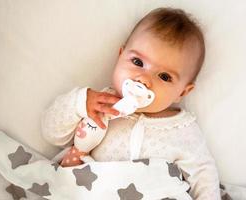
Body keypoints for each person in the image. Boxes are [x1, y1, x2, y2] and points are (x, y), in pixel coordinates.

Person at [41, 7, 221, 200]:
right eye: (137, 62)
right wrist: (79, 103)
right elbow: (52, 134)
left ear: (182, 92)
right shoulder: (100, 104)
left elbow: (204, 175)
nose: (143, 79)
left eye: (164, 76)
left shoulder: (184, 130)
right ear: (120, 55)